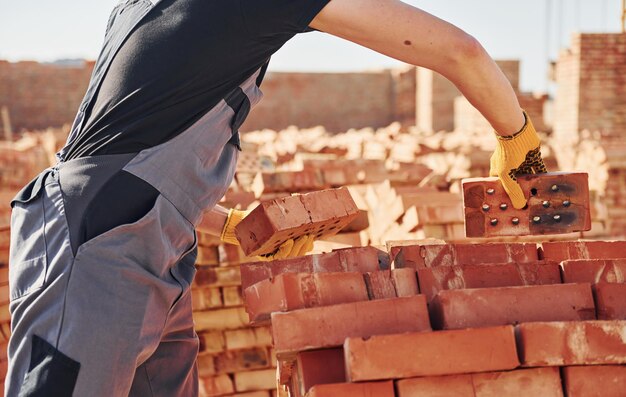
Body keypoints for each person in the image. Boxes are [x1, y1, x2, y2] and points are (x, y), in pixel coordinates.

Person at [5, 0, 547, 395]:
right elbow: (460, 50)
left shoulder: (153, 9)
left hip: (146, 237)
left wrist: (228, 224)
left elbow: (135, 156)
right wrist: (516, 138)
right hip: (95, 244)